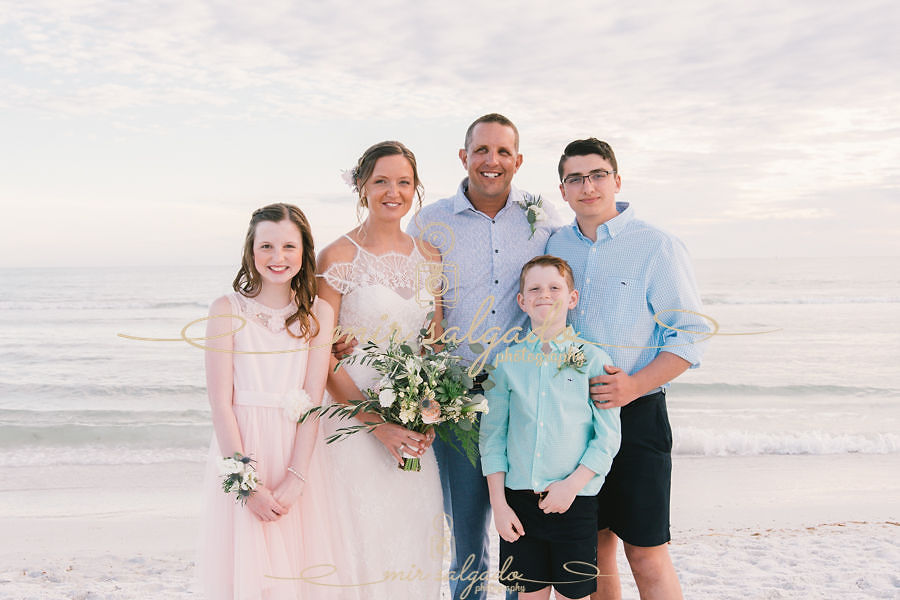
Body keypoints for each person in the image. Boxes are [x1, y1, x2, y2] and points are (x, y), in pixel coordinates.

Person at [405, 113, 563, 600]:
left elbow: (559, 293)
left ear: (517, 160)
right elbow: (408, 300)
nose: (491, 161)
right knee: (468, 533)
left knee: (521, 528)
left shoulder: (542, 217)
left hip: (523, 395)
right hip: (455, 396)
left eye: (502, 152)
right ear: (463, 156)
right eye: (481, 150)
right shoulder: (430, 222)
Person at [547, 138, 709, 600]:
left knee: (645, 550)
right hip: (570, 420)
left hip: (636, 416)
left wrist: (634, 385)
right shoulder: (556, 245)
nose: (588, 186)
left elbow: (690, 334)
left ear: (616, 180)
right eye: (575, 178)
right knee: (591, 553)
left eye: (597, 174)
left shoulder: (656, 245)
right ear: (563, 190)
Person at [316, 141, 444, 599]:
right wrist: (376, 425)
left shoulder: (430, 258)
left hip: (411, 427)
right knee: (358, 545)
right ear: (362, 186)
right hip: (352, 421)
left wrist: (430, 410)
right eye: (381, 181)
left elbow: (434, 348)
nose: (394, 191)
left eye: (404, 182)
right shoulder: (337, 258)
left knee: (412, 542)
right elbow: (322, 354)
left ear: (416, 189)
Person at [197, 203, 339, 599]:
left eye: (289, 247)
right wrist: (245, 483)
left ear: (304, 251)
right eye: (267, 246)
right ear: (251, 250)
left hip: (298, 453)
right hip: (243, 450)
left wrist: (296, 478)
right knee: (245, 572)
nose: (278, 258)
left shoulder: (319, 313)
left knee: (296, 570)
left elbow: (312, 399)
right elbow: (220, 403)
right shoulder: (226, 309)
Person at [480, 255, 621, 600]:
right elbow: (493, 439)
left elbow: (607, 437)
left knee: (574, 596)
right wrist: (499, 506)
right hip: (518, 505)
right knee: (528, 596)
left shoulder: (593, 359)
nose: (545, 294)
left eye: (555, 287)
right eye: (535, 289)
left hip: (575, 501)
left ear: (572, 298)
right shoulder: (505, 364)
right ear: (522, 301)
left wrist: (572, 486)